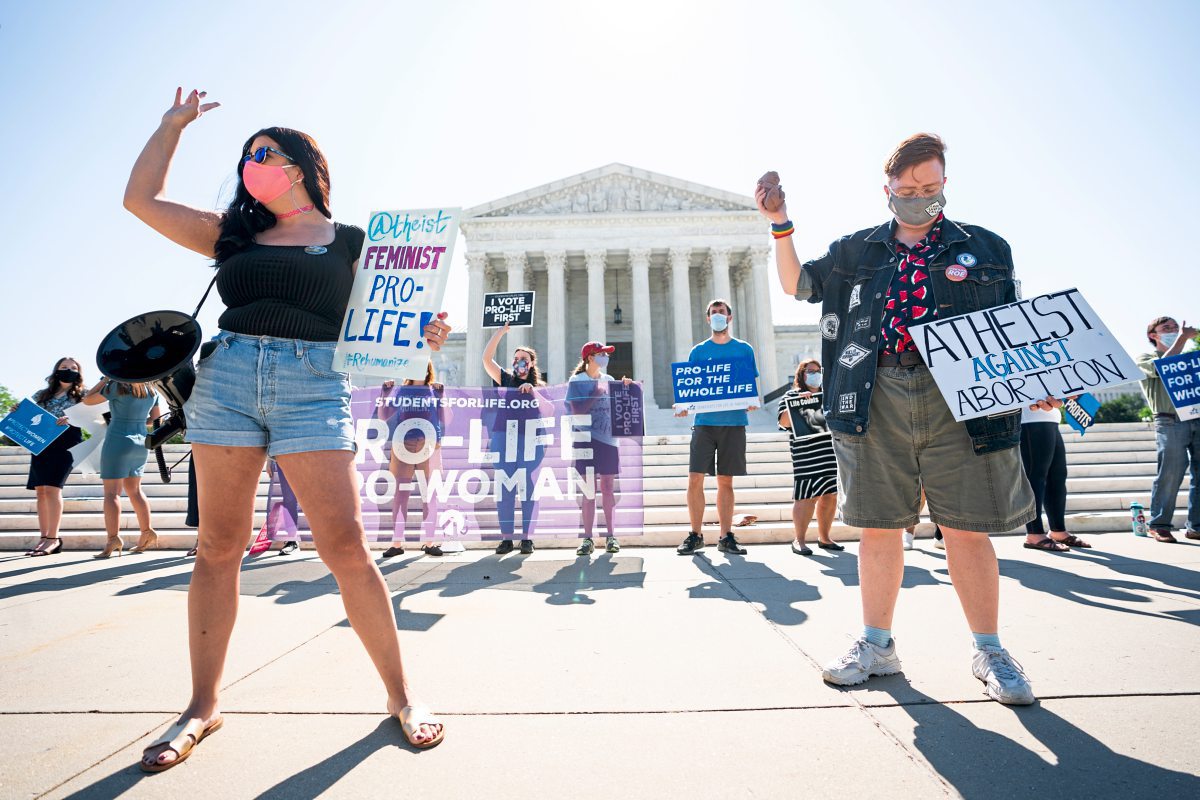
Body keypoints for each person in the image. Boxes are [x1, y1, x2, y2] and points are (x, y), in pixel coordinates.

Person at [123, 88, 451, 768]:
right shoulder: (231, 236)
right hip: (229, 378)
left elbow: (389, 332)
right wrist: (170, 127)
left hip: (312, 383)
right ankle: (202, 706)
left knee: (346, 546)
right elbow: (142, 201)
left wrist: (428, 340)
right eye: (245, 157)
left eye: (262, 153)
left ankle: (402, 696)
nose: (250, 164)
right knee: (218, 545)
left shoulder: (353, 242)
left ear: (299, 165)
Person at [760, 133, 1058, 706]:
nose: (920, 197)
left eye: (931, 187)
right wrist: (781, 224)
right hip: (876, 393)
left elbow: (1011, 323)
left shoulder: (987, 247)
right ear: (888, 189)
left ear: (945, 184)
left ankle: (990, 650)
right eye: (909, 189)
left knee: (966, 529)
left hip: (959, 396)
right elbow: (799, 285)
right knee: (879, 526)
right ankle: (877, 645)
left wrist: (1035, 382)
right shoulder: (856, 251)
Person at [674, 299, 759, 556]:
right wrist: (684, 405)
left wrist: (752, 401)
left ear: (729, 318)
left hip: (733, 423)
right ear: (708, 319)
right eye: (714, 313)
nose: (718, 316)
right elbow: (692, 387)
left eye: (722, 312)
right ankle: (695, 534)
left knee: (726, 481)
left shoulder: (744, 350)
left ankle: (726, 536)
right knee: (694, 479)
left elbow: (751, 383)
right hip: (704, 424)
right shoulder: (698, 352)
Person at [378, 365, 456, 558]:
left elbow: (447, 419)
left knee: (429, 494)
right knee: (400, 494)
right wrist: (385, 393)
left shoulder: (433, 390)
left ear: (428, 368)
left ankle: (429, 541)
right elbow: (383, 416)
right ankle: (397, 543)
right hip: (403, 444)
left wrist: (442, 397)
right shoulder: (401, 391)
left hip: (429, 445)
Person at [482, 323, 546, 554]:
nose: (519, 361)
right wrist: (500, 332)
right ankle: (506, 538)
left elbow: (550, 411)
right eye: (516, 357)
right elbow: (487, 359)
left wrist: (534, 391)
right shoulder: (505, 379)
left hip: (530, 439)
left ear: (531, 364)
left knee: (527, 487)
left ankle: (527, 538)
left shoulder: (539, 386)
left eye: (524, 358)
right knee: (505, 487)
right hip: (503, 436)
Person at [81, 378, 162, 557]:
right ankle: (147, 532)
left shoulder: (117, 386)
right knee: (135, 491)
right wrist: (137, 420)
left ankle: (113, 539)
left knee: (112, 493)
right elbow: (155, 419)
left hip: (118, 441)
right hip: (141, 443)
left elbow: (87, 399)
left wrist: (105, 379)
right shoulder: (151, 389)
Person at [566, 342, 633, 556]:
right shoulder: (576, 381)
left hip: (608, 440)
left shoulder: (609, 380)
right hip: (584, 438)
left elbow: (619, 408)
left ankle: (611, 535)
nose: (605, 357)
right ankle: (587, 538)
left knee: (607, 488)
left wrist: (626, 390)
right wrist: (595, 394)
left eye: (606, 354)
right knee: (588, 490)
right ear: (590, 357)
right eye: (601, 354)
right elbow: (577, 411)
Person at [1137, 316, 1198, 543]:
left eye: (1175, 327)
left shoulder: (1190, 360)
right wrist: (1183, 337)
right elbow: (1164, 367)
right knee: (1170, 473)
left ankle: (1196, 525)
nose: (1174, 330)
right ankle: (1159, 524)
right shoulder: (1146, 358)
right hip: (1169, 420)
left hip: (1197, 418)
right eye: (1167, 328)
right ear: (1153, 335)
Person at [776, 359, 841, 556]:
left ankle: (825, 537)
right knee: (806, 497)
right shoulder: (791, 395)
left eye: (818, 370)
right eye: (810, 371)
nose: (815, 374)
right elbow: (783, 422)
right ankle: (800, 540)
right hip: (806, 454)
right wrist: (797, 404)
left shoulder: (829, 395)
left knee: (830, 495)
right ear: (801, 375)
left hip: (829, 452)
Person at [22, 358, 85, 556]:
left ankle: (53, 538)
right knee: (40, 490)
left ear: (79, 372)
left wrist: (73, 418)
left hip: (66, 443)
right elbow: (31, 417)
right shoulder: (42, 395)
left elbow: (94, 417)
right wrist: (18, 411)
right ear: (56, 370)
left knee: (53, 488)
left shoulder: (84, 395)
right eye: (64, 367)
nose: (69, 370)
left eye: (73, 368)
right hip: (42, 443)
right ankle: (43, 537)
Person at [1020, 404, 1091, 552]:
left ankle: (1058, 531)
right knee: (1035, 478)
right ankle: (1034, 533)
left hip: (1051, 417)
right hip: (1029, 418)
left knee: (1057, 477)